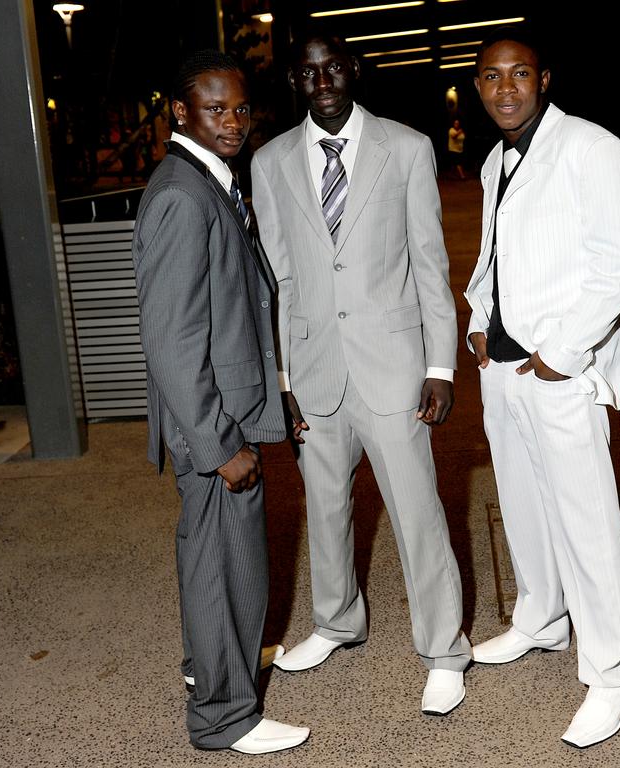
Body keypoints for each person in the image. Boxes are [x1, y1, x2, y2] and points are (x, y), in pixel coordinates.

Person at [250, 35, 471, 716]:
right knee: (326, 507)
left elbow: (430, 263)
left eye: (335, 67)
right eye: (310, 71)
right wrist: (283, 379)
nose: (324, 80)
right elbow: (279, 276)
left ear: (354, 71)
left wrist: (440, 365)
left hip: (394, 367)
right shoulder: (269, 161)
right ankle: (337, 620)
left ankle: (443, 650)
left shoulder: (406, 148)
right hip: (316, 367)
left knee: (416, 511)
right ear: (296, 80)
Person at [464, 27, 620, 748]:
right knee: (523, 504)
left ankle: (613, 673)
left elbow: (619, 264)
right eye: (490, 76)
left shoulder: (591, 147)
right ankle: (540, 618)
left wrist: (562, 354)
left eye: (519, 74)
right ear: (476, 87)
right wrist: (478, 318)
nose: (504, 88)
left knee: (587, 524)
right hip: (501, 369)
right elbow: (494, 253)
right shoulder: (492, 160)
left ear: (544, 80)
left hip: (559, 370)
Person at [132, 50, 309, 755]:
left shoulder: (208, 179)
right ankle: (224, 716)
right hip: (213, 425)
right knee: (226, 564)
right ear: (181, 111)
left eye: (240, 108)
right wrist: (218, 444)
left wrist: (274, 400)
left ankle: (212, 667)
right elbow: (172, 340)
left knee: (215, 561)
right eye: (216, 109)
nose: (233, 122)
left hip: (231, 408)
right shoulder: (181, 194)